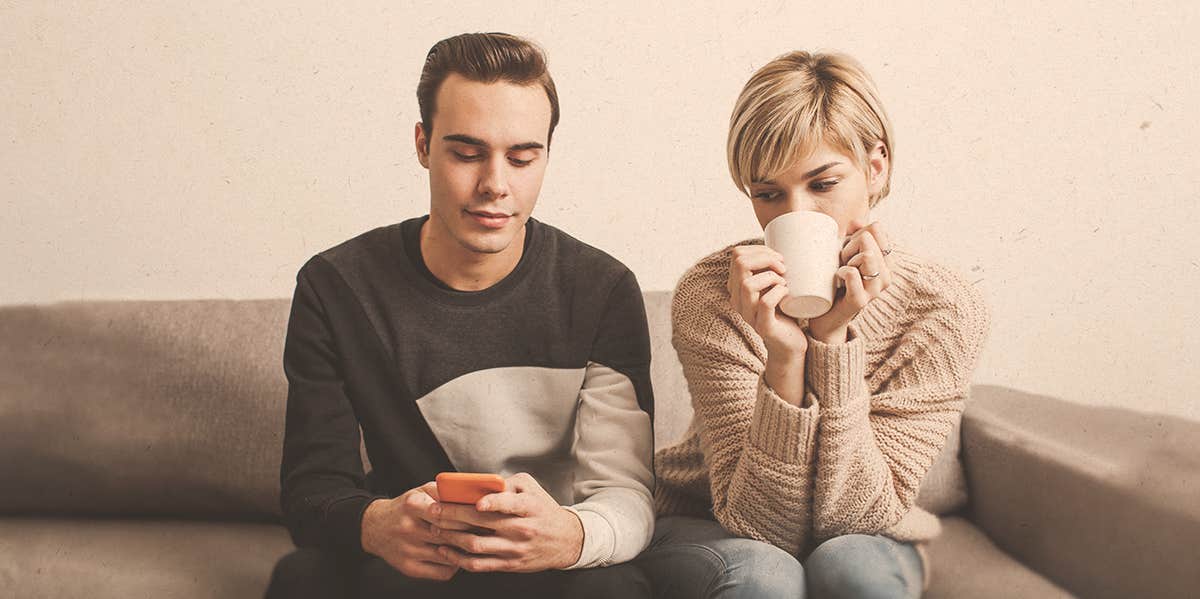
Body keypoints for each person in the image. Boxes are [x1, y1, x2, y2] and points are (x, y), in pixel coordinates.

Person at [265, 32, 655, 599]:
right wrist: (375, 525)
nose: (496, 185)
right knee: (301, 579)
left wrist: (569, 536)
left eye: (523, 157)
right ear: (423, 145)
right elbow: (311, 491)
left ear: (547, 154)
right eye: (467, 154)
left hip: (550, 563)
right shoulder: (335, 286)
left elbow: (627, 495)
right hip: (416, 563)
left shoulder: (603, 289)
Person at [639, 51, 990, 598]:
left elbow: (858, 518)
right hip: (707, 520)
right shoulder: (712, 295)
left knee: (854, 568)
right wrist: (785, 356)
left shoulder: (941, 308)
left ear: (876, 168)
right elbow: (760, 526)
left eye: (822, 184)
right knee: (763, 576)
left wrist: (830, 340)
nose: (794, 214)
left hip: (873, 534)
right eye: (769, 194)